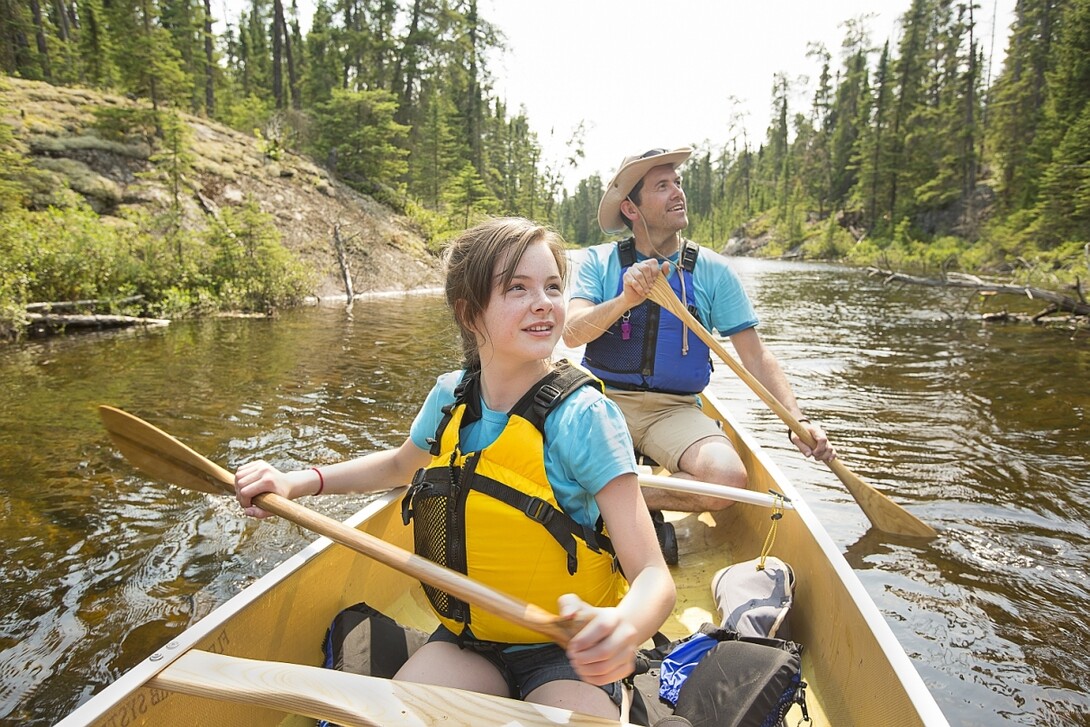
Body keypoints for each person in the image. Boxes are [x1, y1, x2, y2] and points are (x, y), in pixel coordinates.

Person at [234, 217, 675, 720]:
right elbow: (400, 465)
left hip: (567, 653)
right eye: (517, 288)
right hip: (472, 641)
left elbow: (653, 578)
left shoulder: (585, 418)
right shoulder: (451, 397)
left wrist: (625, 629)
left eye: (553, 286)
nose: (544, 303)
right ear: (470, 313)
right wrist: (298, 482)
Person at [563, 147, 836, 516]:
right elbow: (572, 333)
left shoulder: (713, 271)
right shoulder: (599, 261)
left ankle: (613, 499)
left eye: (678, 183)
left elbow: (755, 355)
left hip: (674, 411)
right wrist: (625, 300)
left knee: (726, 481)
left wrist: (797, 419)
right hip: (606, 402)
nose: (678, 192)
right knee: (548, 455)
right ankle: (620, 496)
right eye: (662, 186)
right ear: (631, 208)